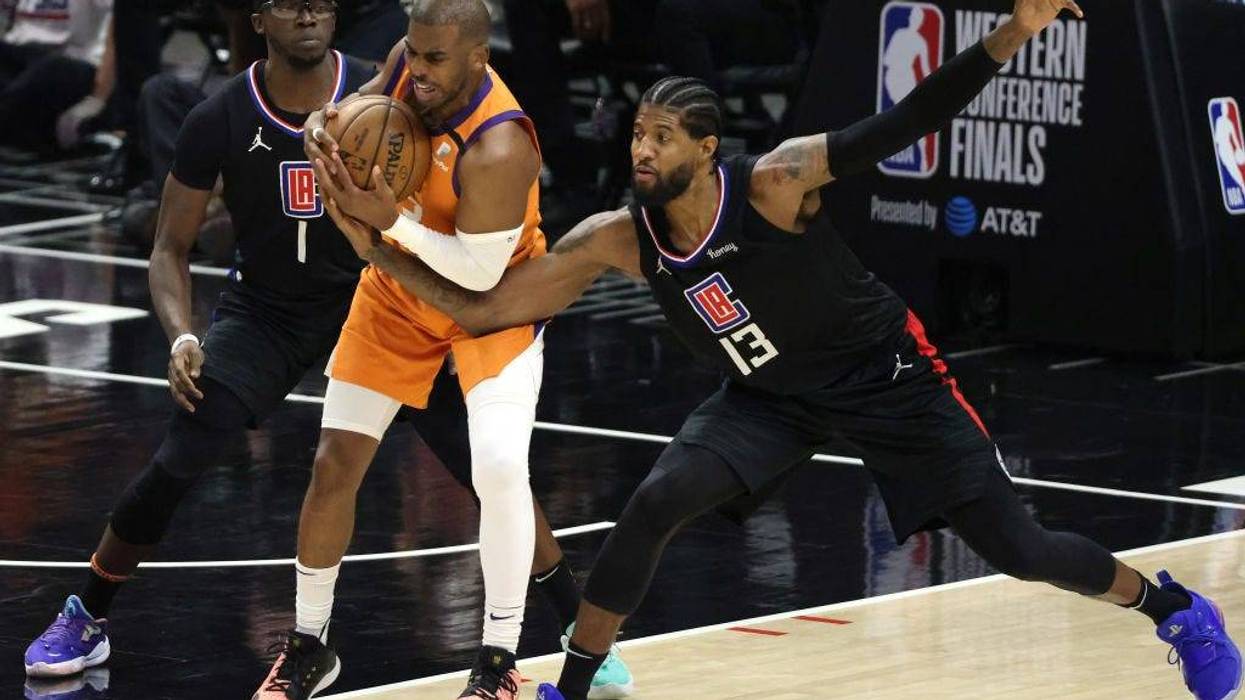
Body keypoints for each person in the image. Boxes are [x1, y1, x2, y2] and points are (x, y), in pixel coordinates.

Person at [317, 1, 1244, 699]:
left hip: (889, 383)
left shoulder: (773, 184)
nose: (640, 148)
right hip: (769, 397)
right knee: (653, 504)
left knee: (1022, 548)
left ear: (705, 147)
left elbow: (903, 123)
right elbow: (485, 308)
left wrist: (1007, 36)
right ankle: (572, 684)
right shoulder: (617, 236)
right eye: (635, 132)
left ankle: (1170, 609)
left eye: (661, 137)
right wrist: (377, 243)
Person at [21, 3, 619, 697]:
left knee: (487, 468)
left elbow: (469, 259)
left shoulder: (429, 104)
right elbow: (169, 246)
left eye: (319, 4)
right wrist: (184, 333)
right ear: (259, 18)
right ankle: (87, 612)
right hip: (270, 311)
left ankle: (577, 629)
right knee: (188, 448)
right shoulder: (224, 115)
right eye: (290, 4)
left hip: (385, 289)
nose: (307, 15)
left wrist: (406, 245)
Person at [256, 1, 632, 698]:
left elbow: (476, 276)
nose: (418, 72)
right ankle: (309, 646)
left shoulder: (502, 145)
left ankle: (496, 662)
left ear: (478, 59)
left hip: (495, 301)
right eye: (415, 53)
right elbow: (363, 104)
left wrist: (388, 220)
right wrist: (325, 127)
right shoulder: (407, 60)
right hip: (398, 295)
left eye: (435, 60)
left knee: (495, 467)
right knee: (333, 461)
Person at [0, 0, 114, 154]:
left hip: (74, 63)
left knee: (50, 68)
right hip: (25, 57)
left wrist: (98, 98)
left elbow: (121, 25)